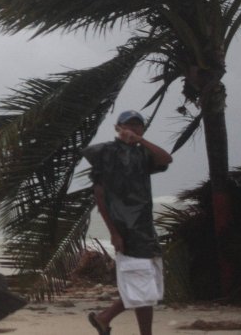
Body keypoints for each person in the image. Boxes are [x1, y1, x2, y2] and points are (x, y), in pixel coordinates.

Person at [82, 110, 173, 335]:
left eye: (137, 126)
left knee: (146, 285)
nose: (132, 129)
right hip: (126, 228)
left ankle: (104, 318)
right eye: (128, 125)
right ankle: (116, 321)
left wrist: (141, 141)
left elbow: (166, 159)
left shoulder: (143, 154)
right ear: (118, 127)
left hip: (145, 227)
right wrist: (114, 232)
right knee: (142, 284)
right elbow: (100, 194)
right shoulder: (105, 152)